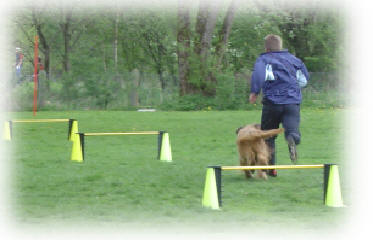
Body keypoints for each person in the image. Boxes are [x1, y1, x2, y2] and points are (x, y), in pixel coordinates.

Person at [249, 34, 309, 177]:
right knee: (292, 129)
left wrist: (254, 92)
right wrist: (293, 88)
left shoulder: (264, 59)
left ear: (266, 47)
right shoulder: (294, 60)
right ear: (280, 46)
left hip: (272, 103)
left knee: (268, 136)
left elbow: (258, 75)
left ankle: (271, 169)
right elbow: (304, 80)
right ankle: (293, 137)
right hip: (292, 102)